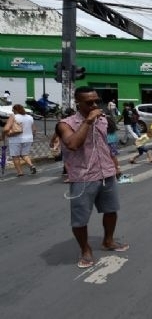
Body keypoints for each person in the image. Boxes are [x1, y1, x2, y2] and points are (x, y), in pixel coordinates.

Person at [55, 86, 129, 269]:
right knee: (80, 219)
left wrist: (115, 165)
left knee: (111, 210)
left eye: (97, 101)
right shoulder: (65, 124)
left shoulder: (103, 120)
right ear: (77, 102)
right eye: (89, 103)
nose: (95, 105)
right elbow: (72, 144)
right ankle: (85, 249)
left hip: (106, 173)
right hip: (83, 176)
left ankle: (108, 241)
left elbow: (106, 145)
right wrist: (87, 122)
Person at [2, 104, 36, 176]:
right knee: (24, 154)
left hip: (15, 139)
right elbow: (34, 130)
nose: (12, 111)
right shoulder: (30, 117)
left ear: (15, 110)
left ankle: (20, 172)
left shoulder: (13, 116)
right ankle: (31, 165)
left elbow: (6, 129)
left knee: (15, 156)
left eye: (13, 110)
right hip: (28, 139)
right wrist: (32, 138)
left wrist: (3, 136)